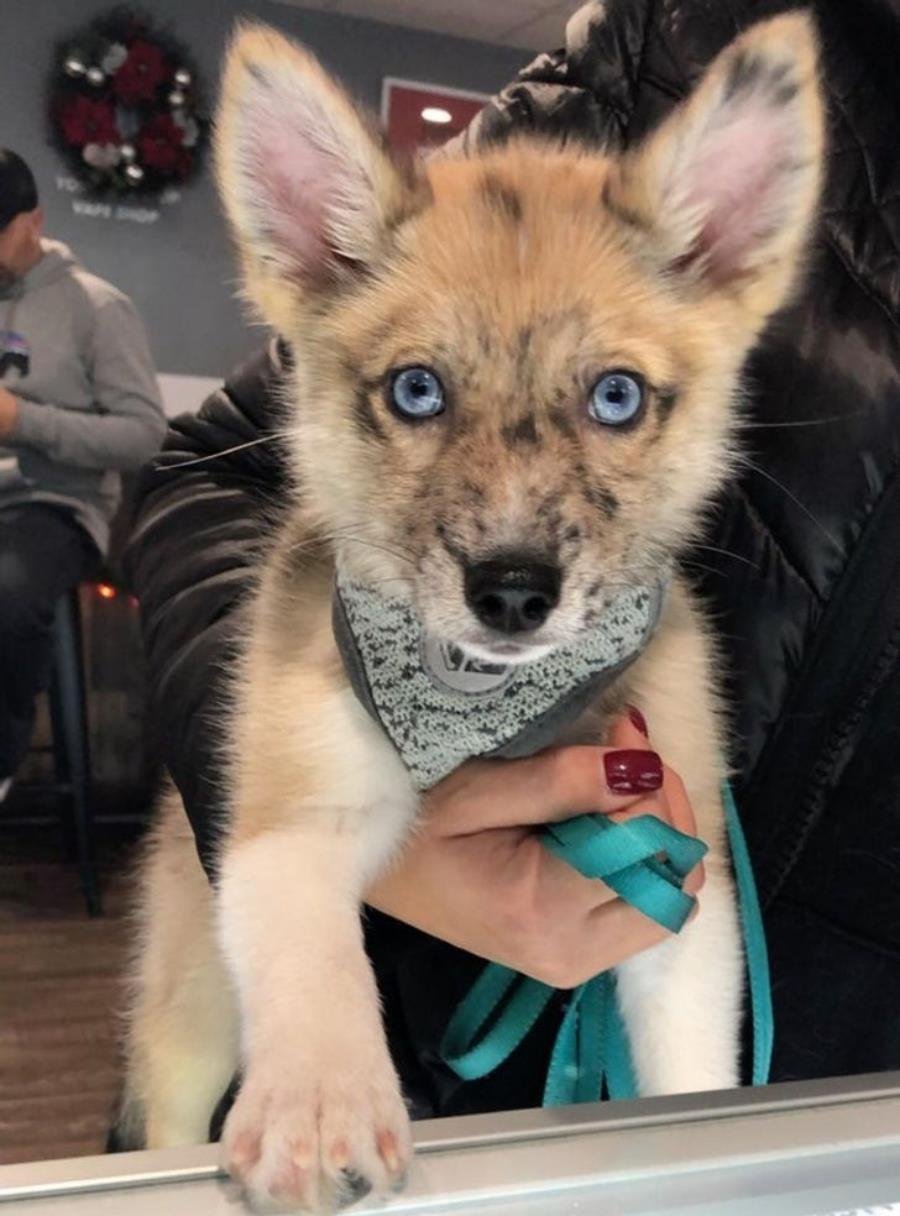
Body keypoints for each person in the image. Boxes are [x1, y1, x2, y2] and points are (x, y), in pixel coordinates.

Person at [125, 0, 900, 1129]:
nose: (511, 531)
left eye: (613, 397)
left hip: (850, 1059)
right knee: (179, 1065)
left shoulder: (661, 644)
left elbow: (684, 924)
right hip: (426, 1041)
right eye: (420, 391)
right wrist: (362, 850)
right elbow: (206, 478)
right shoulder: (682, 38)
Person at [0, 149, 166, 802]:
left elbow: (143, 434)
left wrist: (24, 421)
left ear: (33, 220)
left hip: (59, 506)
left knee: (7, 594)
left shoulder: (98, 308)